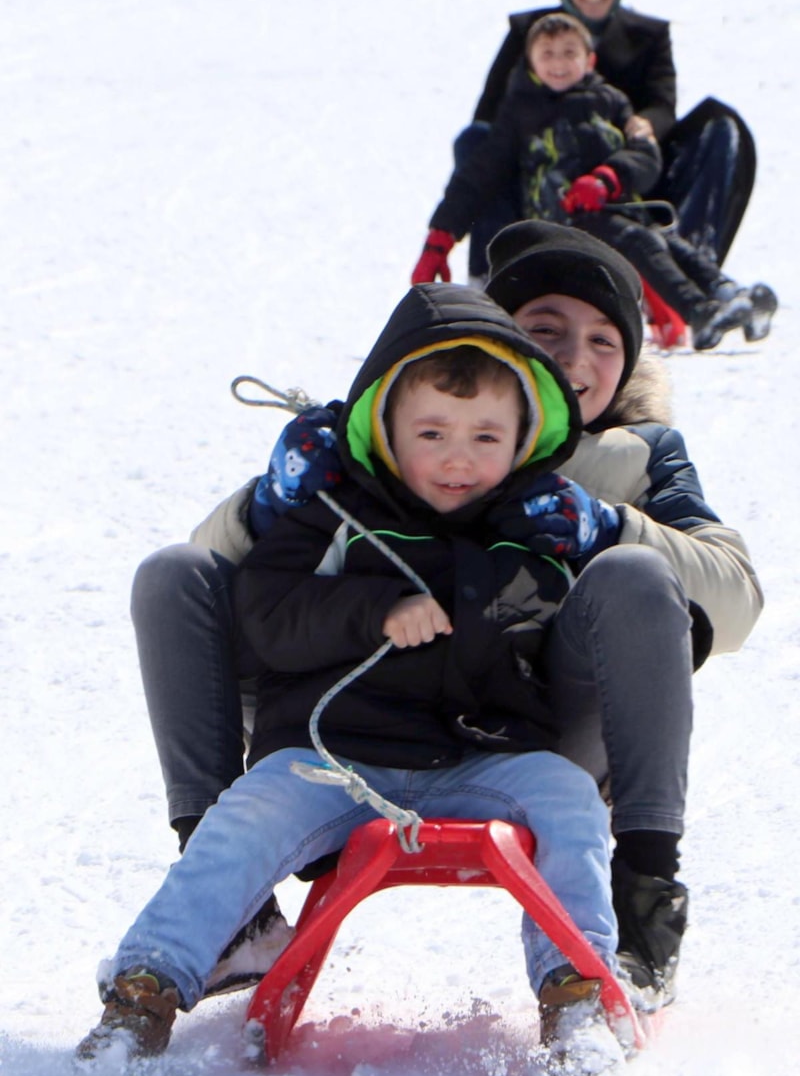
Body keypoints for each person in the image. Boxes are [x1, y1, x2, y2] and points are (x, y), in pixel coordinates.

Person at [131, 222, 763, 1010]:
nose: (576, 357)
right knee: (173, 574)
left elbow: (736, 603)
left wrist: (609, 526)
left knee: (635, 573)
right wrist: (272, 500)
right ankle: (230, 912)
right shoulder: (401, 425)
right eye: (546, 329)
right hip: (357, 716)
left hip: (536, 721)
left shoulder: (643, 455)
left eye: (604, 340)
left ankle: (641, 903)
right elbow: (224, 589)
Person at [78, 282, 630, 1075]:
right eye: (432, 433)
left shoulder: (532, 532)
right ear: (384, 431)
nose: (458, 458)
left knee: (570, 799)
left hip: (481, 758)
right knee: (242, 822)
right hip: (332, 757)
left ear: (522, 438)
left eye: (485, 436)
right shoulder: (333, 515)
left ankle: (577, 992)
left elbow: (560, 647)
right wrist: (374, 611)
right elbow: (266, 612)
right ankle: (144, 990)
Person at [412, 13, 776, 351]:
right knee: (641, 241)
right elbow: (479, 176)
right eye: (547, 53)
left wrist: (610, 177)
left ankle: (728, 295)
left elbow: (645, 155)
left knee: (667, 242)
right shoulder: (520, 113)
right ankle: (700, 311)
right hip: (563, 220)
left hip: (614, 207)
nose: (558, 62)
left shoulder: (611, 103)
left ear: (589, 60)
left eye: (569, 53)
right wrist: (441, 236)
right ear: (531, 62)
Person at [458, 0, 757, 284]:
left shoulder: (648, 34)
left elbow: (662, 104)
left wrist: (643, 125)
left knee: (719, 125)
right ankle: (495, 269)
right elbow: (489, 114)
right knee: (475, 140)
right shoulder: (531, 32)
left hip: (624, 176)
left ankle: (690, 263)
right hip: (546, 178)